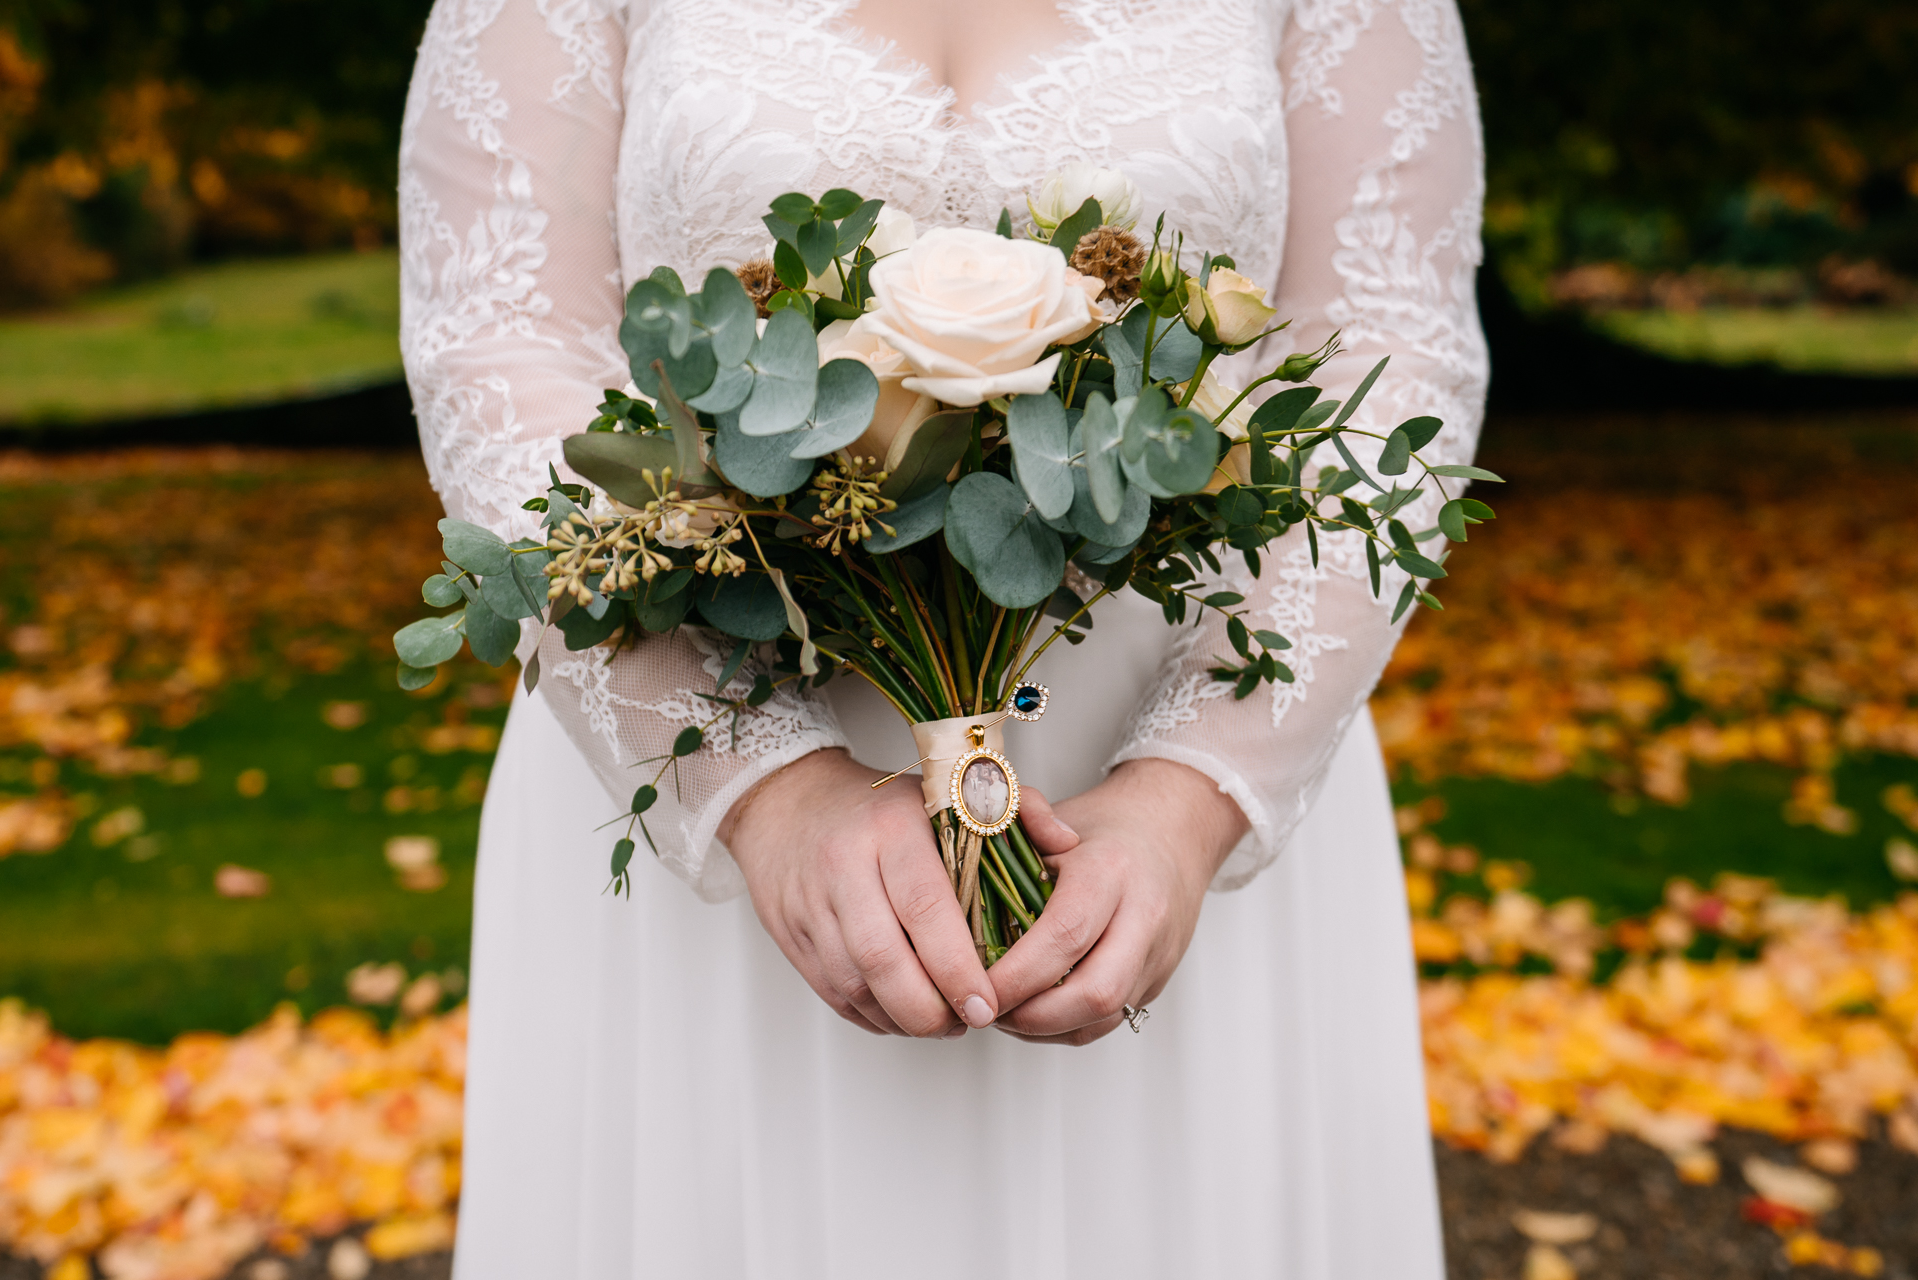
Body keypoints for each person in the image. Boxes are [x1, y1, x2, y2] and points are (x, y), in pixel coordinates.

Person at [398, 1, 1488, 1275]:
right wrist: (763, 789)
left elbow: (1390, 355)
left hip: (1186, 760)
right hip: (704, 747)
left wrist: (1192, 797)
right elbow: (500, 348)